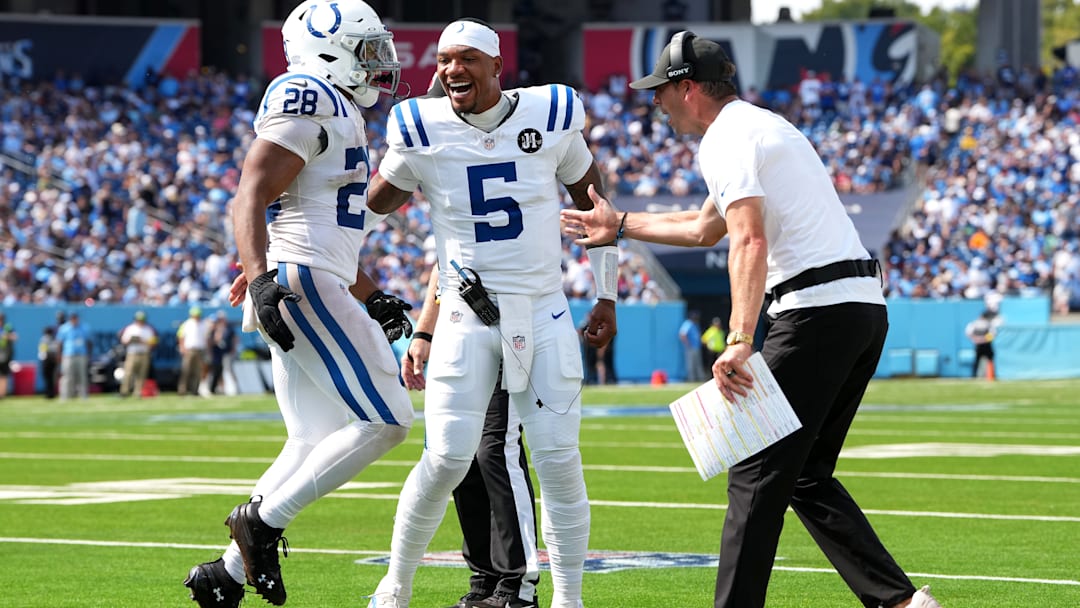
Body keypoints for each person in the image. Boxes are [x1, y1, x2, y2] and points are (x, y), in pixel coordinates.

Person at [560, 31, 942, 608]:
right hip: (860, 308)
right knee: (805, 473)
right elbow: (702, 230)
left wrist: (739, 338)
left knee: (754, 467)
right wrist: (620, 225)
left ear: (687, 89)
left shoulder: (726, 139)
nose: (656, 104)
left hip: (817, 311)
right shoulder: (760, 126)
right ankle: (900, 601)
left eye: (660, 92)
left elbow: (748, 239)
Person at [365, 18, 617, 608]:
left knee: (558, 460)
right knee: (448, 456)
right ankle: (395, 585)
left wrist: (604, 292)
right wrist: (294, 237)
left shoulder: (551, 114)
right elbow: (374, 204)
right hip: (464, 314)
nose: (453, 69)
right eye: (445, 59)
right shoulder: (418, 127)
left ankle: (569, 598)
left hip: (545, 309)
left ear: (498, 67)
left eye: (468, 59)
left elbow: (597, 205)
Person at [182, 1, 414, 606]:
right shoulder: (307, 94)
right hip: (299, 280)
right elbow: (250, 193)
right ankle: (261, 522)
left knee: (316, 432)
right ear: (326, 49)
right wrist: (262, 277)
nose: (380, 63)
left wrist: (374, 294)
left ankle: (225, 575)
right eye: (366, 50)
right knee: (387, 419)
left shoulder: (335, 109)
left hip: (308, 273)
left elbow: (323, 223)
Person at [406, 268, 540, 608]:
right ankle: (485, 578)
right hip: (459, 335)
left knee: (495, 450)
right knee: (459, 455)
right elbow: (443, 265)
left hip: (508, 326)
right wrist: (424, 331)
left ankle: (517, 587)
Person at [118, 310, 158, 398]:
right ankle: (124, 391)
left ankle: (138, 392)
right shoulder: (130, 328)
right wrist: (131, 340)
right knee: (128, 373)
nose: (140, 321)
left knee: (141, 374)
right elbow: (123, 341)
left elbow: (154, 342)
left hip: (144, 353)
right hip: (132, 353)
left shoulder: (149, 329)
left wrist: (142, 341)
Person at [56, 312, 91, 400]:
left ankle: (83, 396)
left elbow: (89, 342)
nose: (74, 320)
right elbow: (59, 343)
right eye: (72, 318)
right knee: (67, 376)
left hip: (81, 354)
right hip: (68, 355)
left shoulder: (84, 327)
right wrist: (59, 355)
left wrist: (89, 354)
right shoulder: (64, 328)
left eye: (75, 318)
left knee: (82, 376)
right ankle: (65, 396)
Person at [176, 306, 209, 396]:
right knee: (186, 370)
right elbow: (180, 336)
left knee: (197, 372)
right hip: (189, 350)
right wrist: (182, 348)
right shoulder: (186, 324)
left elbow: (206, 338)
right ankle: (182, 390)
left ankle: (195, 390)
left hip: (200, 350)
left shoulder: (204, 324)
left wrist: (206, 349)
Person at [208, 311, 238, 394]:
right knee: (218, 370)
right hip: (218, 353)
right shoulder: (215, 329)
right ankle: (221, 388)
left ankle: (233, 388)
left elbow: (235, 338)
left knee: (228, 369)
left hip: (227, 352)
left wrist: (233, 348)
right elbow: (214, 340)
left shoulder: (229, 328)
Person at [964, 309, 998, 379]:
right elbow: (969, 333)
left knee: (987, 360)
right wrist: (980, 339)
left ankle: (990, 375)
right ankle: (975, 376)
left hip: (984, 344)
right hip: (982, 344)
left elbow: (993, 334)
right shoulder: (976, 323)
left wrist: (980, 339)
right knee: (979, 360)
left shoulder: (986, 324)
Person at [678, 310, 706, 382]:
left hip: (696, 347)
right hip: (690, 348)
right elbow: (682, 334)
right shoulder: (688, 323)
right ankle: (692, 379)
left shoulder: (695, 324)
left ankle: (700, 378)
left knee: (698, 363)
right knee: (691, 364)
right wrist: (688, 344)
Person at [38, 326, 60, 399]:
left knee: (47, 377)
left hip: (47, 360)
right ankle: (52, 393)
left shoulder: (44, 339)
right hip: (53, 360)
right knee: (52, 377)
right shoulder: (55, 339)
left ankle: (48, 393)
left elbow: (43, 350)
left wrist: (42, 358)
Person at [0, 317, 15, 399]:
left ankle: (2, 394)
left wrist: (6, 336)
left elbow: (15, 337)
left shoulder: (7, 327)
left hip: (5, 356)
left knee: (4, 375)